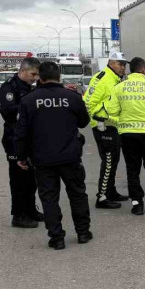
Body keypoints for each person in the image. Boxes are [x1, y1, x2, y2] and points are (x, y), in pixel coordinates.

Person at [14, 62, 92, 250]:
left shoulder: (29, 100)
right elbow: (84, 122)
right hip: (70, 157)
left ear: (40, 78)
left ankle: (56, 238)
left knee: (49, 198)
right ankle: (82, 232)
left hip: (43, 158)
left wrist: (21, 156)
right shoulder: (72, 97)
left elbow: (21, 132)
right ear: (59, 77)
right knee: (77, 194)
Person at [105, 57, 145, 215]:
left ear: (129, 70)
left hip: (128, 135)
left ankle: (137, 204)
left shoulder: (119, 87)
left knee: (132, 170)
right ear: (144, 70)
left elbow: (111, 111)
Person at [0, 57, 42, 228]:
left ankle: (30, 209)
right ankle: (18, 215)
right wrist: (30, 108)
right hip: (14, 140)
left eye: (37, 75)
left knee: (31, 179)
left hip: (30, 139)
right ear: (23, 71)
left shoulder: (30, 88)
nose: (35, 77)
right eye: (33, 74)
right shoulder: (9, 87)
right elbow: (8, 113)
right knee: (18, 180)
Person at [83, 51, 129, 209]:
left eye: (124, 64)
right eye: (120, 63)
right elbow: (87, 102)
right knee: (109, 161)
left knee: (113, 161)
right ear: (111, 62)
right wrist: (98, 120)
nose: (123, 67)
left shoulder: (115, 78)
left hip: (113, 125)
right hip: (103, 126)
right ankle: (101, 198)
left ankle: (111, 191)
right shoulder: (102, 78)